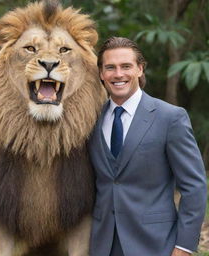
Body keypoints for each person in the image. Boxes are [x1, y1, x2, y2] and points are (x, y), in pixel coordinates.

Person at [88, 36, 207, 256]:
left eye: (126, 66)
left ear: (140, 69)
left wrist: (184, 246)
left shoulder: (170, 118)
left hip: (156, 244)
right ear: (101, 74)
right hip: (102, 244)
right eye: (110, 67)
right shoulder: (90, 121)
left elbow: (194, 187)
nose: (118, 74)